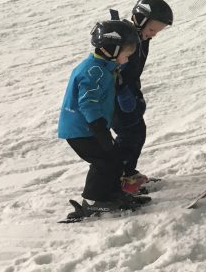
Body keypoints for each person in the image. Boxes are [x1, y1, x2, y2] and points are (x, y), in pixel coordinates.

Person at [58, 19, 148, 212]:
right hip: (81, 130)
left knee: (114, 159)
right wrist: (100, 130)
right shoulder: (94, 71)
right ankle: (93, 199)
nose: (128, 58)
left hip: (91, 128)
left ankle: (112, 194)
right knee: (104, 161)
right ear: (113, 50)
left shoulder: (103, 67)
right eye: (127, 54)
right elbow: (87, 104)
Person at [111, 0, 173, 193]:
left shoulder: (140, 37)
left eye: (157, 31)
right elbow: (113, 68)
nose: (154, 35)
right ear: (139, 19)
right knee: (129, 134)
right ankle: (119, 179)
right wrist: (121, 91)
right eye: (152, 29)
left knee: (137, 133)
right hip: (116, 98)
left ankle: (127, 172)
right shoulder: (125, 39)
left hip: (129, 92)